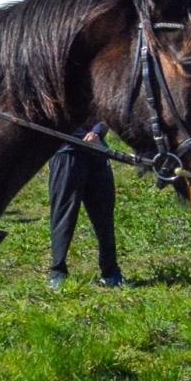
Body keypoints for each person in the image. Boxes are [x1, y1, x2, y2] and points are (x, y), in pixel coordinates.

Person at [46, 122, 123, 290]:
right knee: (63, 215)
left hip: (97, 153)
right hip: (66, 154)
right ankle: (58, 272)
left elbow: (105, 115)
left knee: (104, 216)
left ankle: (111, 272)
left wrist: (97, 132)